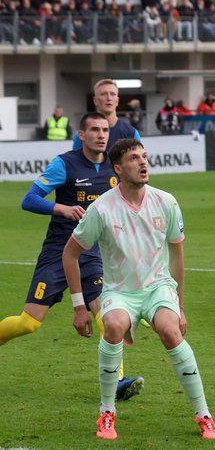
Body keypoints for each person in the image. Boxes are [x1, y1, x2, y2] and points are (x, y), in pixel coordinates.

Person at [62, 138, 215, 440]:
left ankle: (204, 416)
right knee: (113, 325)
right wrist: (79, 307)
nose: (143, 163)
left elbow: (177, 256)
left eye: (145, 157)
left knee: (171, 331)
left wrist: (180, 306)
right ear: (119, 168)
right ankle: (106, 413)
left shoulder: (166, 201)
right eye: (135, 158)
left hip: (158, 287)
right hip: (119, 291)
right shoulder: (101, 208)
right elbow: (69, 254)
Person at [2, 113, 142, 400]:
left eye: (105, 130)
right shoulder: (64, 164)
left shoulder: (114, 168)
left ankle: (116, 382)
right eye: (94, 130)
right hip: (58, 252)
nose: (101, 135)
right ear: (81, 134)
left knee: (107, 318)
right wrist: (62, 209)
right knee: (30, 322)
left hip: (92, 254)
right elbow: (29, 200)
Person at [73, 79, 141, 151]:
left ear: (117, 101)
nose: (109, 98)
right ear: (95, 101)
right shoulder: (82, 135)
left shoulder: (131, 133)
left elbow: (137, 161)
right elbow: (75, 161)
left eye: (112, 94)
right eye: (103, 94)